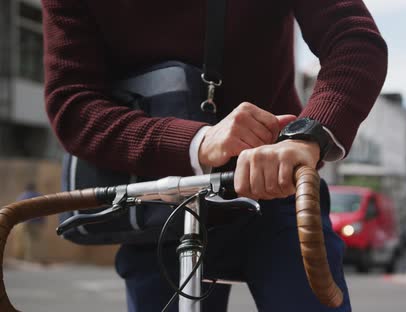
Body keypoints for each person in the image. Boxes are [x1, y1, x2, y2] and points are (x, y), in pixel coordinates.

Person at [42, 0, 387, 311]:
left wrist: (307, 137)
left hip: (274, 182)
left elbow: (353, 40)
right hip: (159, 200)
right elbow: (73, 105)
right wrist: (198, 141)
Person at [16, 183, 45, 262]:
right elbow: (44, 210)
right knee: (35, 241)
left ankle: (26, 258)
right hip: (36, 222)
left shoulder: (22, 196)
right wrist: (42, 222)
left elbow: (17, 210)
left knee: (25, 240)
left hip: (24, 222)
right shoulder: (39, 196)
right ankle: (35, 258)